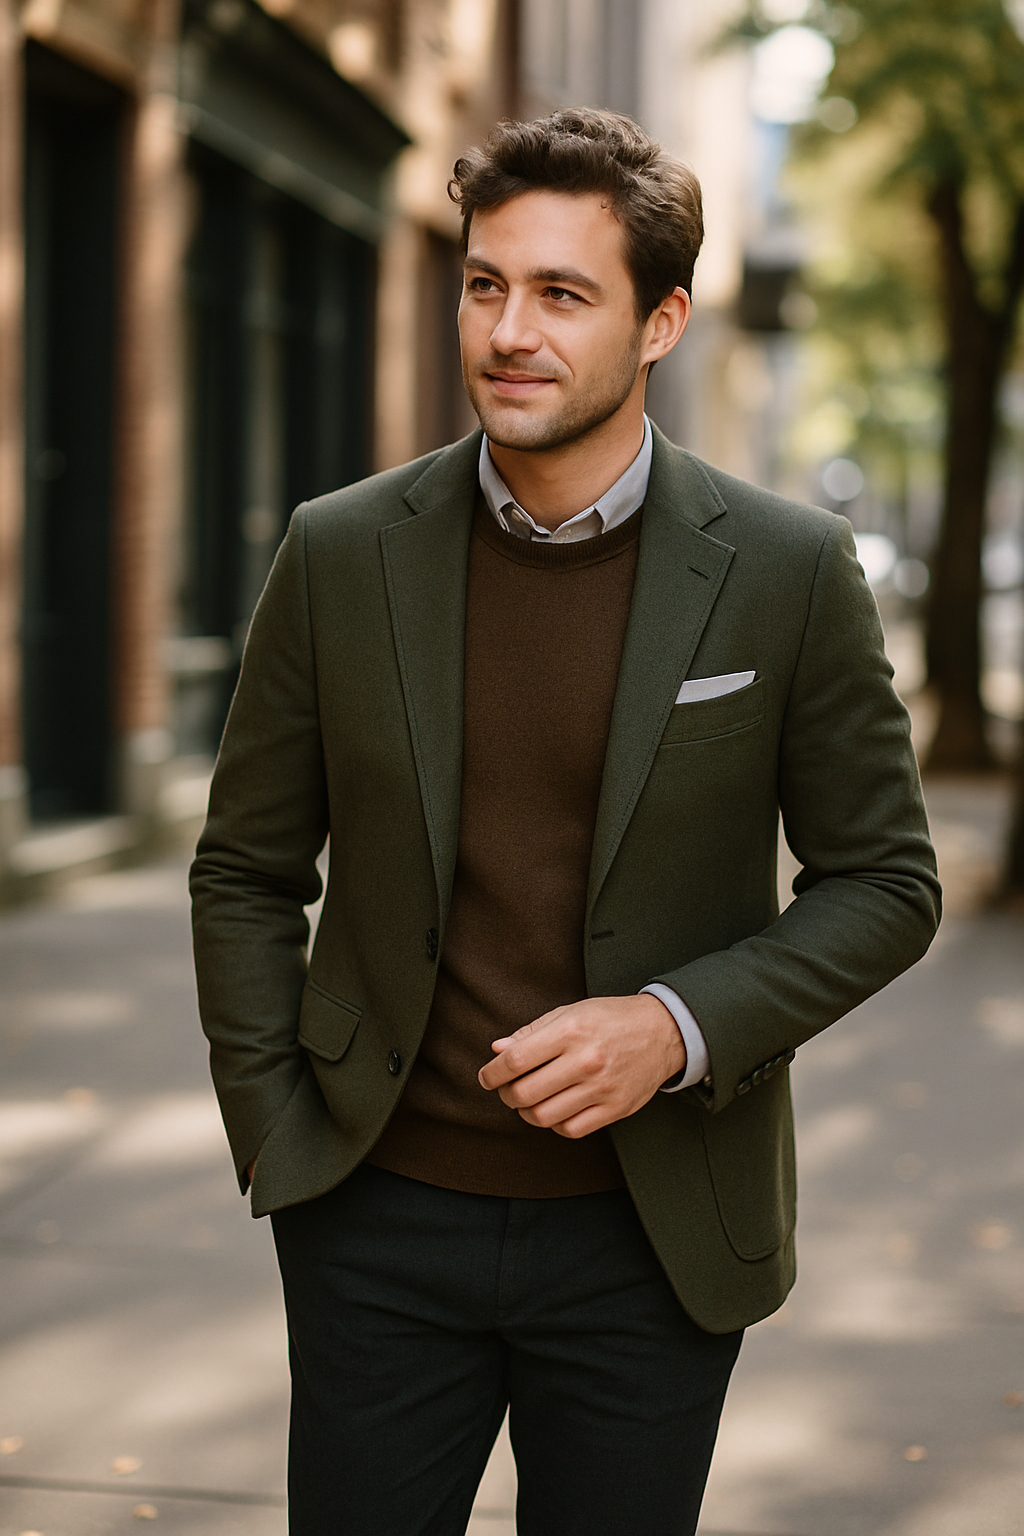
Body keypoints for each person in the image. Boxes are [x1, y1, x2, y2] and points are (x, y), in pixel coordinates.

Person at [190, 108, 940, 1536]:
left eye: (561, 293)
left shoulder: (785, 570)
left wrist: (676, 1023)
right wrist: (277, 1139)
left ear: (661, 322)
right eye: (485, 283)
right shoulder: (340, 551)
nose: (508, 330)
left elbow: (887, 882)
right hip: (374, 1210)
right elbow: (244, 868)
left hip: (650, 1234)